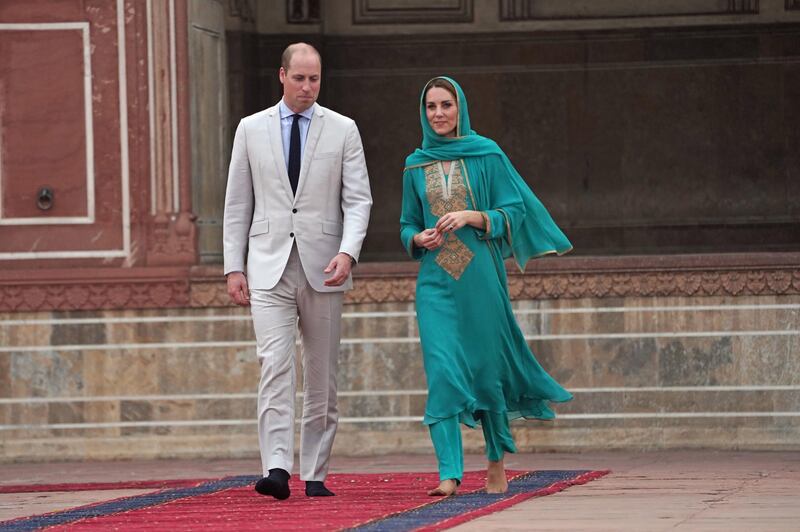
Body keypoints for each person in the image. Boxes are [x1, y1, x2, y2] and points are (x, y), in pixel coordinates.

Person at [400, 76, 573, 496]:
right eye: (431, 107)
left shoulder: (486, 154)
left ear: (460, 109)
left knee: (486, 371)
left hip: (481, 278)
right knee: (441, 372)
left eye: (446, 105)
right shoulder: (414, 164)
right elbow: (407, 221)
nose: (438, 114)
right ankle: (449, 473)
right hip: (435, 282)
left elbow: (512, 209)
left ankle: (495, 461)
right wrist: (417, 239)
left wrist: (473, 217)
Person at [223, 43, 372, 500]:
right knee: (275, 365)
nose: (308, 87)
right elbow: (237, 204)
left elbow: (358, 200)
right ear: (282, 76)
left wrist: (348, 253)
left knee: (321, 373)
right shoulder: (250, 129)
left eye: (315, 79)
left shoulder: (343, 129)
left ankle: (316, 472)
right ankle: (276, 468)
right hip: (266, 265)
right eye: (300, 78)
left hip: (324, 266)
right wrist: (233, 266)